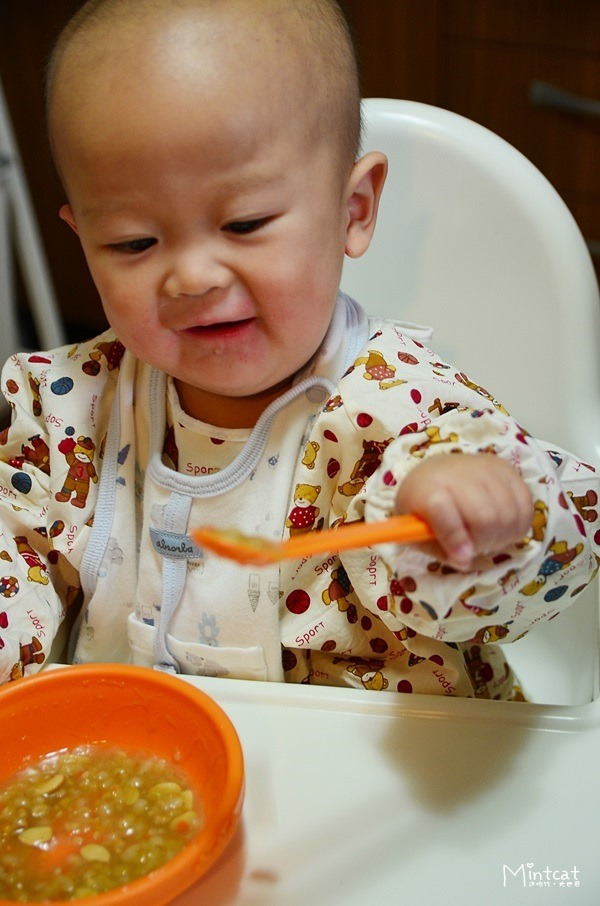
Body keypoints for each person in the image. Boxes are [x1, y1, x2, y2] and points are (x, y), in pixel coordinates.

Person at [0, 0, 597, 697]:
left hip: (373, 779)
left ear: (354, 210)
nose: (193, 276)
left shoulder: (403, 415)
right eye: (134, 242)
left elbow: (560, 556)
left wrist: (486, 522)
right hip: (141, 760)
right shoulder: (64, 411)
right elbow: (16, 557)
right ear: (82, 240)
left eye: (245, 223)